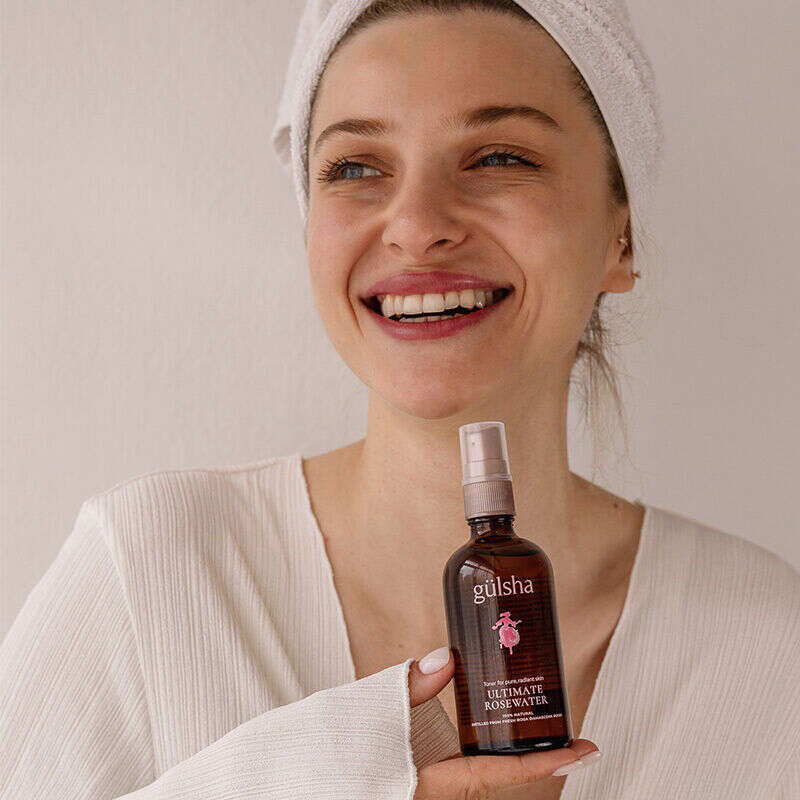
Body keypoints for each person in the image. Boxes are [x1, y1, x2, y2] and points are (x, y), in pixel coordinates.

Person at [2, 1, 798, 799]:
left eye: (499, 157)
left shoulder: (768, 654)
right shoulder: (152, 574)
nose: (417, 227)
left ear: (620, 236)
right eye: (355, 168)